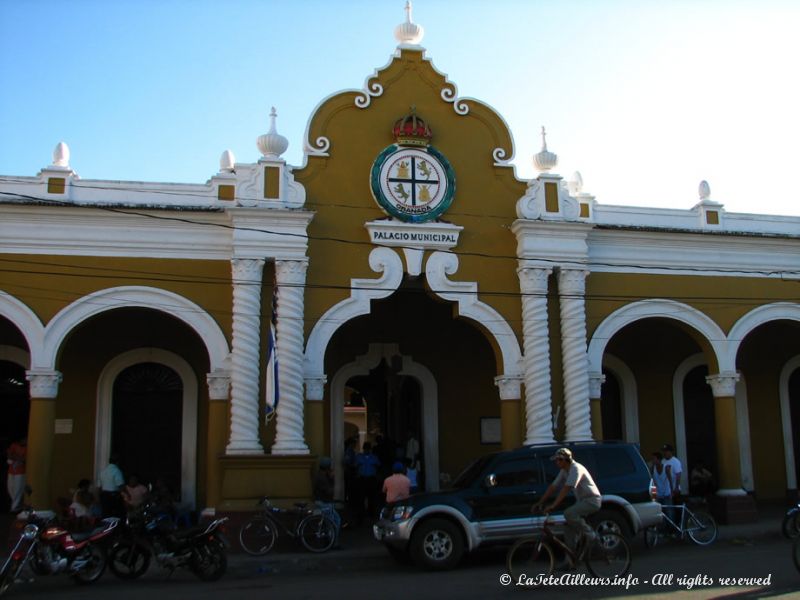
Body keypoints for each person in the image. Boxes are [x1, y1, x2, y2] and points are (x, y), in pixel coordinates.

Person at [533, 448, 601, 569]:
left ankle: (591, 534)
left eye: (559, 460)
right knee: (568, 528)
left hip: (592, 501)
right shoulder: (564, 470)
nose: (556, 463)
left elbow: (567, 488)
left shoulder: (576, 469)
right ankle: (570, 561)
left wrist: (553, 506)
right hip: (582, 501)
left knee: (568, 513)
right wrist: (540, 502)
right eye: (556, 460)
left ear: (566, 460)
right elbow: (553, 487)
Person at [313, 456, 342, 544]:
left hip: (321, 501)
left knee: (330, 521)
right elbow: (329, 492)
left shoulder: (319, 475)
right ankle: (333, 542)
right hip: (324, 503)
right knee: (334, 521)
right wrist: (332, 479)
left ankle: (330, 540)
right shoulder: (322, 478)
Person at [354, 442, 381, 523]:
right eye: (365, 448)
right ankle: (361, 516)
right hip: (362, 479)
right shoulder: (359, 457)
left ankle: (372, 515)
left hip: (371, 479)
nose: (366, 450)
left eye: (368, 448)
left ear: (370, 449)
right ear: (363, 449)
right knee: (361, 498)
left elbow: (378, 466)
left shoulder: (374, 457)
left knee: (372, 498)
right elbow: (355, 466)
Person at [99, 454, 125, 518]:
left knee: (106, 514)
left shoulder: (103, 471)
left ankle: (106, 527)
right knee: (116, 514)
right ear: (117, 462)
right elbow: (120, 485)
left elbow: (100, 486)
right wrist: (126, 494)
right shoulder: (117, 471)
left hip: (104, 495)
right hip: (114, 496)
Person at [5, 437, 26, 513]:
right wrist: (17, 457)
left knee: (18, 490)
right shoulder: (14, 445)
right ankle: (16, 506)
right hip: (11, 471)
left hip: (21, 472)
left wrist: (15, 457)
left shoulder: (27, 448)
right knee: (10, 489)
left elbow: (24, 459)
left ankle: (14, 508)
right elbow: (9, 457)